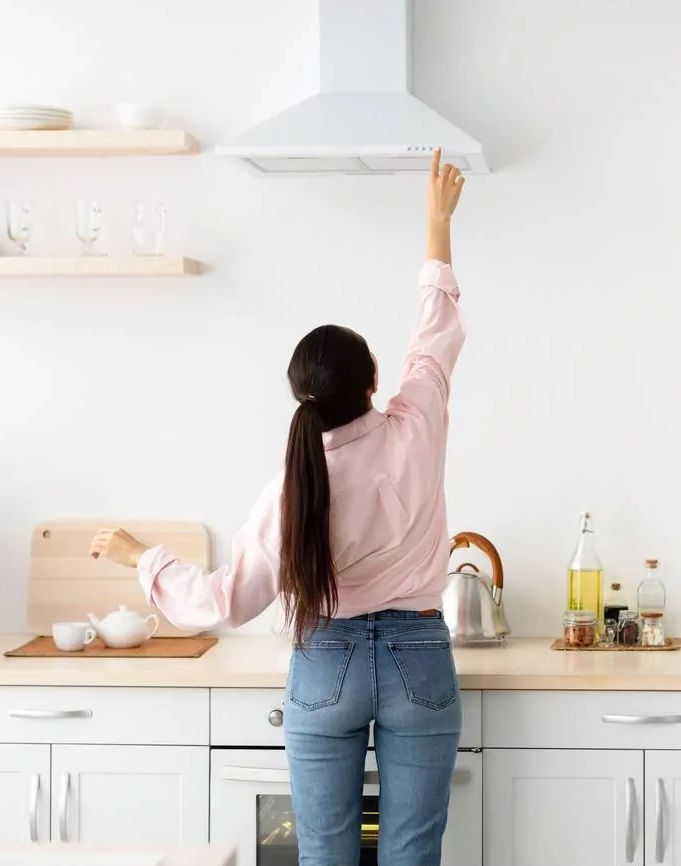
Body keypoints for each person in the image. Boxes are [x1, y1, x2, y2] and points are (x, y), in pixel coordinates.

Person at [88, 148, 467, 866]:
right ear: (374, 380)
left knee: (324, 851)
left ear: (302, 395)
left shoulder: (292, 489)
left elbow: (225, 602)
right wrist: (436, 226)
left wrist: (143, 556)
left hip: (327, 661)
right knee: (413, 852)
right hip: (420, 656)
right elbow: (436, 334)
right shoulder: (418, 424)